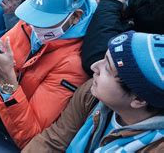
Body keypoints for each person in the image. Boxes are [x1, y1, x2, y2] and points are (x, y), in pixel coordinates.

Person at [0, 0, 96, 149]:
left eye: (46, 21)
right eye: (34, 16)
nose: (35, 26)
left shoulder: (73, 64)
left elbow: (31, 137)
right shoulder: (31, 21)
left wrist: (6, 79)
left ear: (75, 16)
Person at [24, 31, 164, 152]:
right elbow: (54, 141)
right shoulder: (91, 94)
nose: (94, 67)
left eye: (107, 68)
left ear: (138, 99)